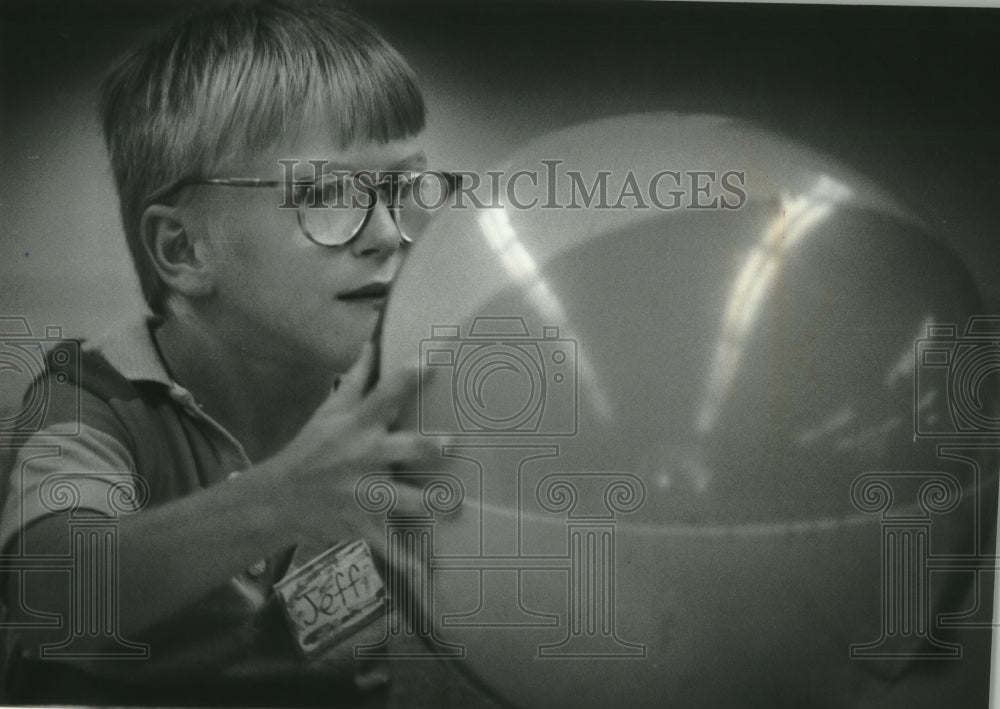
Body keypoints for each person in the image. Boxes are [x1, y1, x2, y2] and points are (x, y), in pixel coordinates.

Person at [0, 1, 471, 705]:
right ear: (184, 250)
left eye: (406, 187)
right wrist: (281, 499)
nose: (389, 233)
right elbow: (55, 592)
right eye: (329, 193)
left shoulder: (399, 390)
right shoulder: (92, 398)